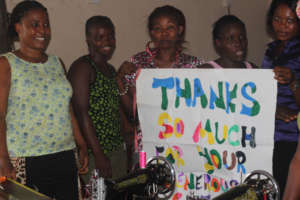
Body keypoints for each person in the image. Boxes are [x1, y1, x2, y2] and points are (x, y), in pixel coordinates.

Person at [0, 1, 88, 200]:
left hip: (64, 155)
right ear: (18, 27)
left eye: (46, 24)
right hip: (25, 158)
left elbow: (67, 109)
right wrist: (3, 158)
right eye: (35, 24)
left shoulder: (57, 63)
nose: (43, 30)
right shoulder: (7, 64)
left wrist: (81, 143)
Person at [117, 5, 204, 168]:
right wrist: (120, 81)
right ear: (151, 33)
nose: (164, 34)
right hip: (146, 146)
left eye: (170, 27)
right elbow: (133, 113)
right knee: (146, 187)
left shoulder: (195, 66)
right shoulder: (137, 64)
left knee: (183, 190)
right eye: (158, 29)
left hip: (186, 146)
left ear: (180, 30)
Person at [67, 15, 128, 195]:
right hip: (96, 154)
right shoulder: (83, 68)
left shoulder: (110, 69)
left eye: (110, 36)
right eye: (99, 37)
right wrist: (99, 155)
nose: (107, 41)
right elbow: (81, 114)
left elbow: (115, 108)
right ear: (88, 39)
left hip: (116, 149)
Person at [262, 0, 300, 198]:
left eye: (290, 21)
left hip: (292, 138)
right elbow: (262, 92)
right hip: (268, 136)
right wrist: (273, 108)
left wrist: (293, 81)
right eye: (277, 19)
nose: (282, 26)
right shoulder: (271, 49)